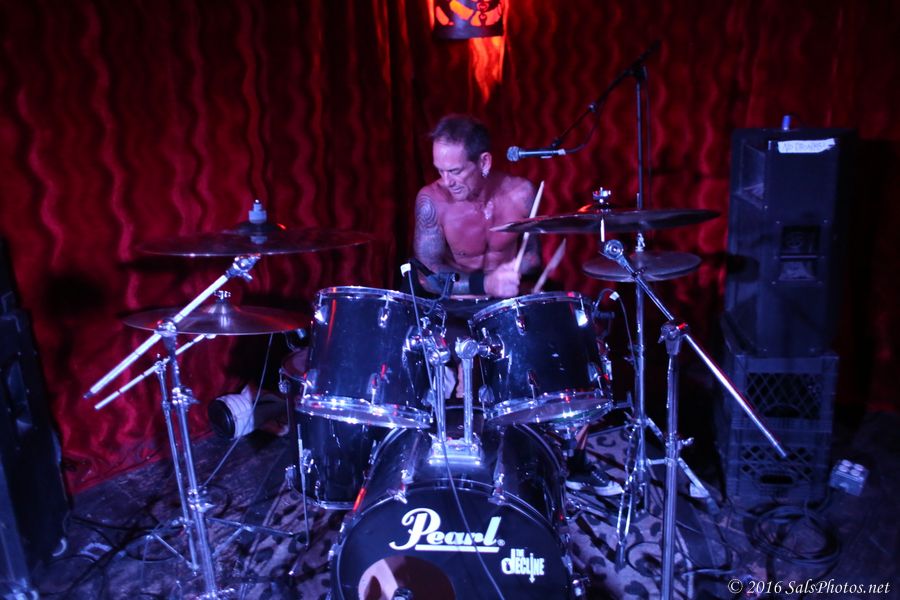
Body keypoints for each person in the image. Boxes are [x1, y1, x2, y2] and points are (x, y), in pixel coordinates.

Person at [413, 114, 540, 298]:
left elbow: (533, 256)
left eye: (455, 171)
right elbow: (427, 277)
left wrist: (515, 272)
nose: (447, 182)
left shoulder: (522, 194)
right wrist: (486, 284)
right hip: (458, 306)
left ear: (484, 162)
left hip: (507, 302)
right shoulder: (431, 202)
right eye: (440, 170)